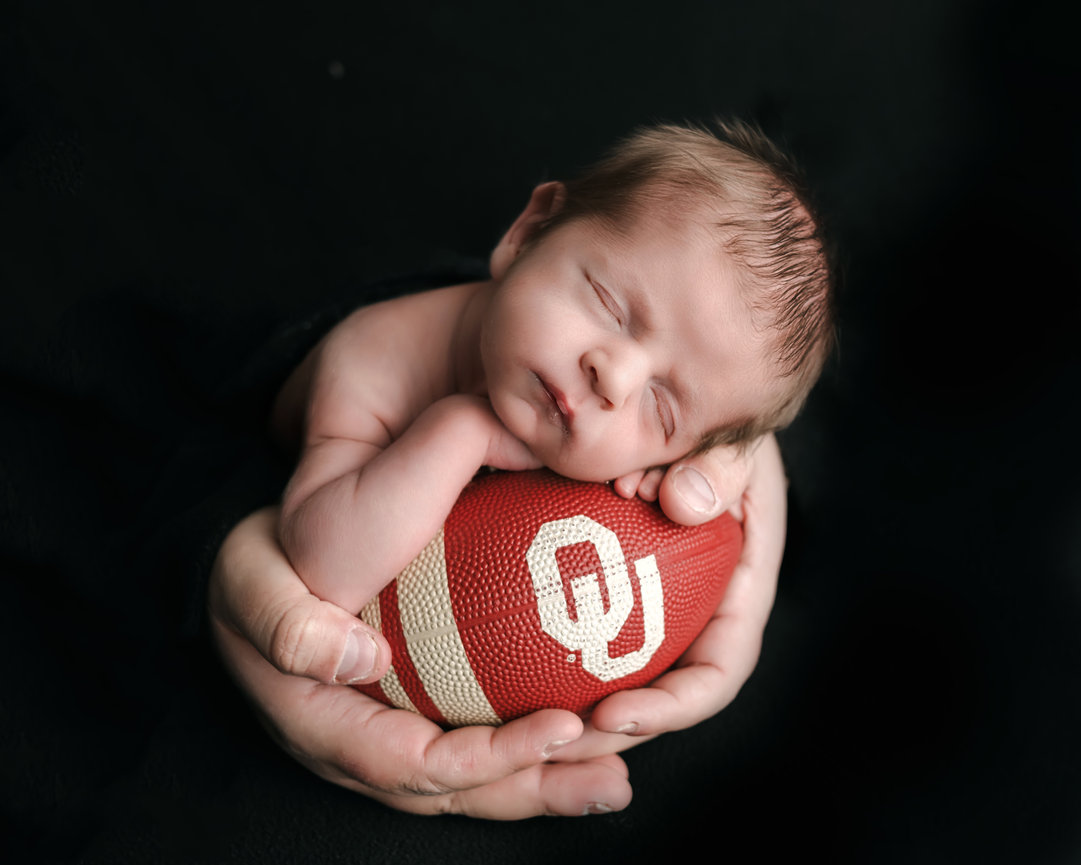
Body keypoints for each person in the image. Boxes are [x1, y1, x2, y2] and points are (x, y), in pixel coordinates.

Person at [208, 119, 835, 818]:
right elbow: (320, 571)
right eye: (608, 304)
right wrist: (458, 430)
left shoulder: (629, 448)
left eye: (661, 407)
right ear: (528, 232)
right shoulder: (374, 359)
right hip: (233, 459)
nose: (614, 377)